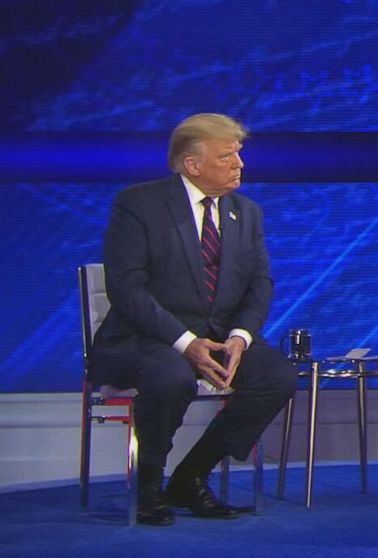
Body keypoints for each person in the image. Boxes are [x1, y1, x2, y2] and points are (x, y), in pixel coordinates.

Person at [91, 113, 298, 526]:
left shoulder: (247, 212)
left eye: (238, 154)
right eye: (227, 156)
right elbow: (127, 289)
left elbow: (260, 285)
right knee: (172, 377)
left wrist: (239, 338)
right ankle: (150, 486)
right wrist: (186, 342)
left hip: (219, 338)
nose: (240, 165)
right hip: (146, 338)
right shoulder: (140, 204)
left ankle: (191, 476)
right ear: (192, 164)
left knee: (276, 377)